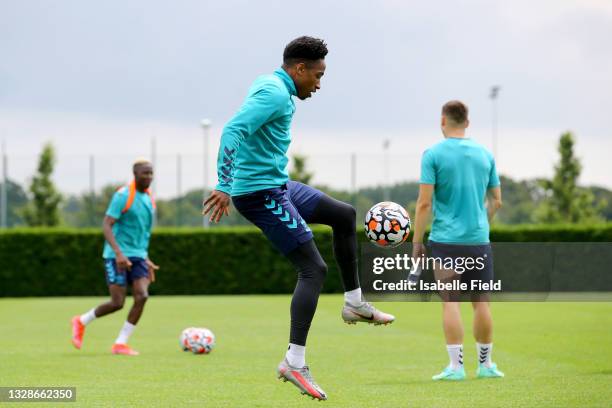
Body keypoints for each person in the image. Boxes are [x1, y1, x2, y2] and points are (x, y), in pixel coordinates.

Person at [203, 36, 394, 400]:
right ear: (299, 68)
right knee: (313, 269)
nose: (319, 85)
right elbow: (232, 130)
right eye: (317, 75)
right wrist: (225, 184)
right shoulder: (275, 94)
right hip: (260, 194)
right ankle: (294, 361)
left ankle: (354, 302)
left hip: (278, 184)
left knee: (343, 214)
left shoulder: (271, 83)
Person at [411, 100, 505, 380]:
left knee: (450, 301)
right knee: (481, 302)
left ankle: (456, 368)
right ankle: (486, 366)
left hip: (445, 241)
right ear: (467, 122)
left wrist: (417, 242)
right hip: (478, 240)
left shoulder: (432, 154)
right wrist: (481, 226)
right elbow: (497, 202)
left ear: (443, 121)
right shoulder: (486, 154)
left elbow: (424, 204)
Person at [71, 159, 159, 356]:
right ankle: (81, 321)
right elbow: (106, 225)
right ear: (135, 174)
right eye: (145, 173)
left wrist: (145, 257)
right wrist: (119, 254)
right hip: (115, 255)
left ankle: (120, 343)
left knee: (142, 296)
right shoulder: (123, 196)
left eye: (151, 173)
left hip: (138, 257)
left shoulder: (150, 198)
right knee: (117, 303)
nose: (149, 177)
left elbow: (142, 232)